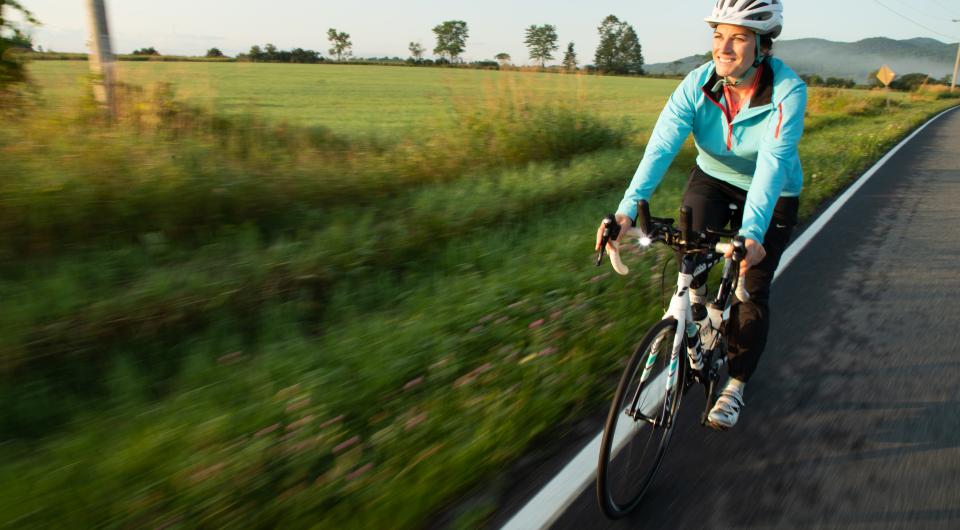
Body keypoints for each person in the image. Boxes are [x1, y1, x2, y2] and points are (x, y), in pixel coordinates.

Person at [595, 0, 806, 429]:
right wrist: (624, 213)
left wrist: (751, 235)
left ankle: (736, 385)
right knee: (690, 259)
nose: (724, 48)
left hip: (774, 191)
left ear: (763, 46)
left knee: (750, 289)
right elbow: (660, 148)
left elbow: (772, 163)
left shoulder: (787, 91)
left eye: (739, 38)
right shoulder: (697, 83)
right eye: (718, 36)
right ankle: (701, 321)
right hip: (712, 178)